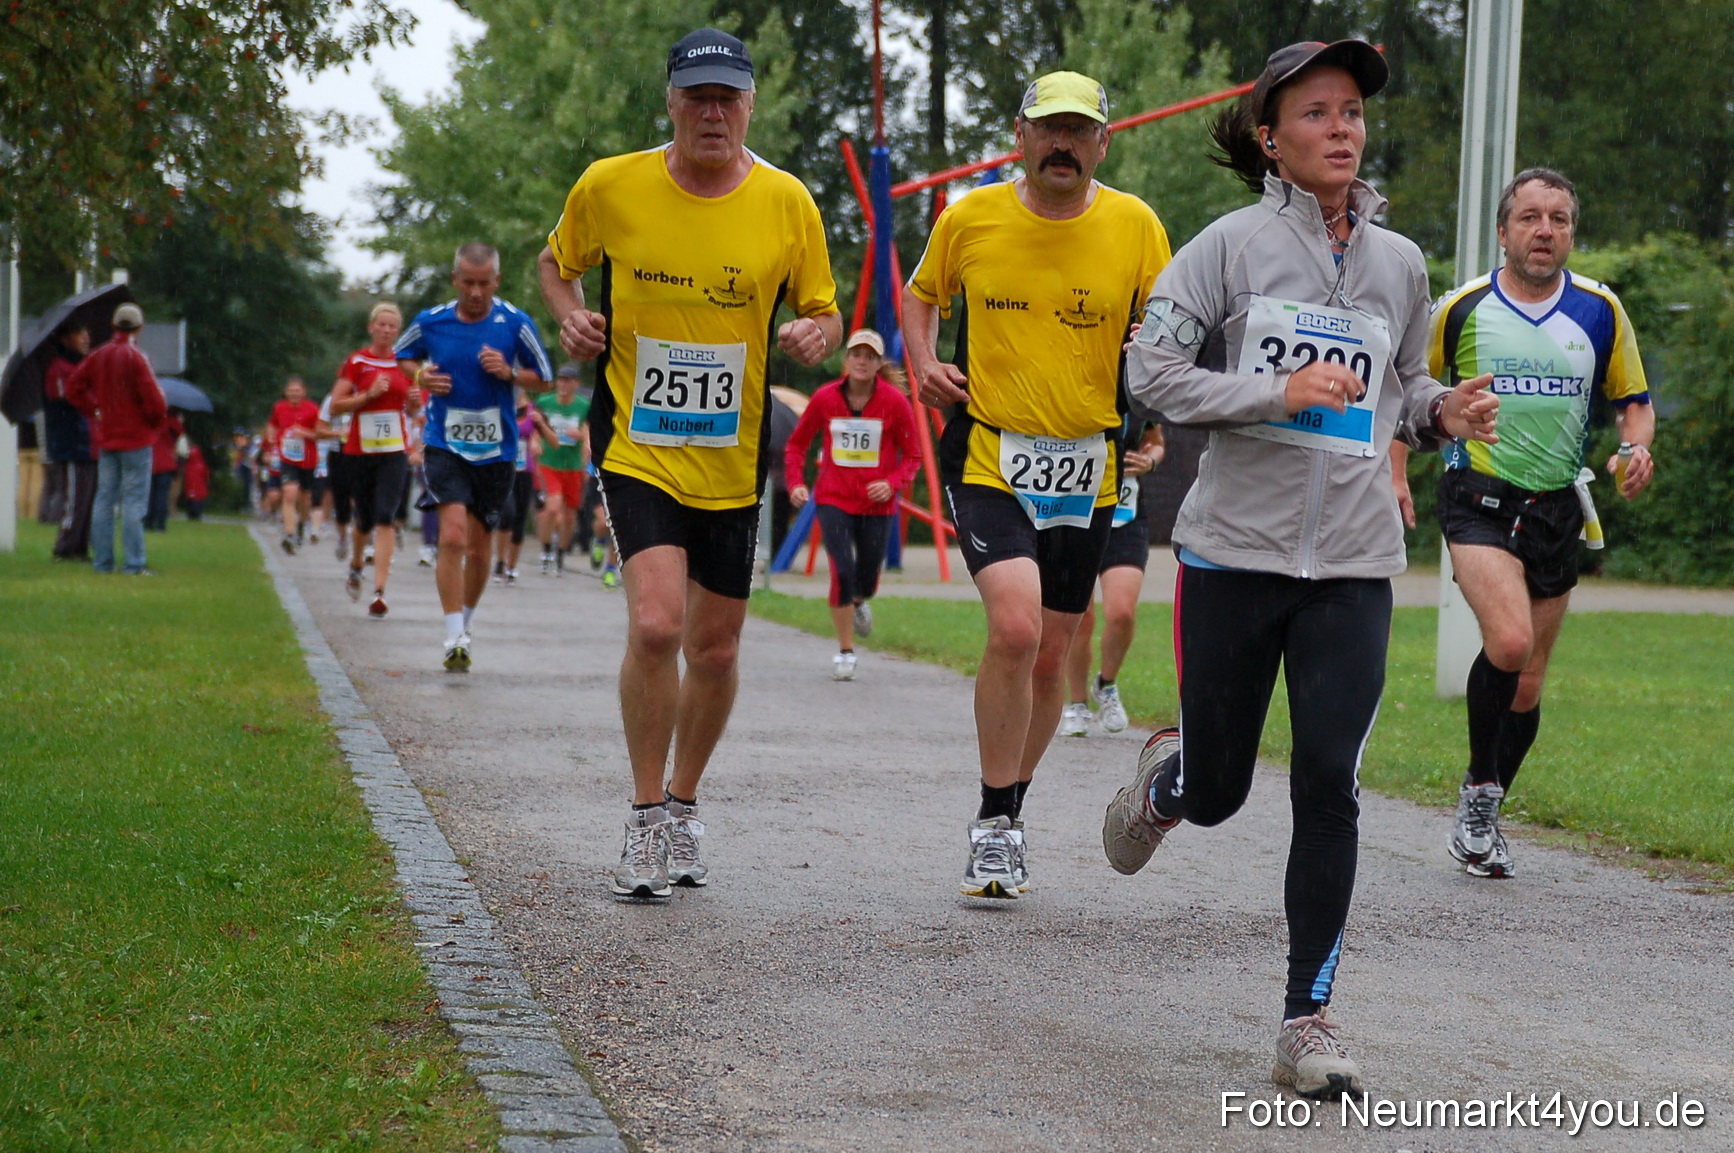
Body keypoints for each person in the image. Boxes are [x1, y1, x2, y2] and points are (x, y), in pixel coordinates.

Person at [1097, 41, 1501, 1099]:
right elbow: (1153, 371)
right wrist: (1268, 396)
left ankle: (1305, 1019)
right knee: (1224, 792)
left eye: (1353, 112)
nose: (1342, 127)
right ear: (1272, 137)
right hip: (1236, 554)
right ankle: (1169, 781)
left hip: (1358, 563)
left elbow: (1404, 388)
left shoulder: (1401, 264)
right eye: (1317, 112)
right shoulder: (1227, 248)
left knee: (1330, 783)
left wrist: (1441, 411)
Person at [538, 26, 841, 899]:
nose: (713, 112)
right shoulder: (611, 186)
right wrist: (568, 313)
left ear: (750, 104)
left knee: (714, 646)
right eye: (696, 96)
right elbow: (558, 263)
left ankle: (682, 802)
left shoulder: (787, 203)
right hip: (636, 441)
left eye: (728, 97)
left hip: (732, 455)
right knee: (659, 625)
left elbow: (821, 309)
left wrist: (814, 333)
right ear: (669, 102)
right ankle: (641, 820)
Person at [904, 70, 1171, 900]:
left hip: (1087, 466)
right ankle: (991, 820)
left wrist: (1153, 409)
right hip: (989, 454)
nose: (1062, 144)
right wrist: (921, 358)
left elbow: (1167, 336)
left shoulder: (1136, 226)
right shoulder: (970, 216)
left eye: (1077, 130)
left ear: (1103, 141)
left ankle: (1010, 811)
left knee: (1055, 651)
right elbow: (919, 299)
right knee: (1016, 630)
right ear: (1019, 135)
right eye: (1047, 129)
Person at [1388, 168, 1654, 881]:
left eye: (1559, 219)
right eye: (1531, 217)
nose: (1545, 230)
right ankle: (1479, 792)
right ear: (1504, 230)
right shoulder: (1463, 307)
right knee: (1509, 641)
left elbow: (1632, 397)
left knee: (1528, 683)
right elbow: (1409, 389)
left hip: (1558, 505)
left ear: (1571, 232)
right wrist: (1393, 472)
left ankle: (1486, 808)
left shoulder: (1600, 310)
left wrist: (1636, 445)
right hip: (1478, 493)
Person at [398, 243, 553, 668]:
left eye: (484, 284)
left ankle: (464, 623)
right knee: (451, 535)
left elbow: (545, 380)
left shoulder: (515, 324)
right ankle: (452, 637)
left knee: (481, 550)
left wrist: (509, 373)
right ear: (455, 280)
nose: (475, 292)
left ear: (496, 282)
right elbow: (404, 356)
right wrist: (422, 376)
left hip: (497, 451)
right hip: (444, 443)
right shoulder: (432, 322)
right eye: (468, 282)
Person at [784, 328, 922, 680]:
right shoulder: (825, 398)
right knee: (841, 569)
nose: (862, 362)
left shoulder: (894, 402)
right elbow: (797, 445)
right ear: (846, 361)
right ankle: (845, 651)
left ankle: (860, 601)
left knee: (867, 578)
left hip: (877, 505)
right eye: (856, 355)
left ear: (878, 364)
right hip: (833, 497)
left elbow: (914, 456)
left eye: (870, 356)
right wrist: (796, 483)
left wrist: (891, 484)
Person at [1058, 420, 1165, 735]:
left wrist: (1151, 460)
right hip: (1073, 515)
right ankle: (1077, 704)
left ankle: (1106, 684)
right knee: (1080, 617)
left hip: (1124, 516)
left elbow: (1155, 441)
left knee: (1122, 612)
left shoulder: (1132, 391)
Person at [331, 301, 421, 617]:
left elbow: (414, 411)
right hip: (359, 450)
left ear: (398, 331)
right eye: (381, 325)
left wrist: (413, 403)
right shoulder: (357, 361)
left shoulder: (406, 364)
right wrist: (366, 396)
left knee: (386, 516)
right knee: (365, 519)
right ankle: (357, 563)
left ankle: (379, 591)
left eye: (392, 326)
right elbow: (335, 406)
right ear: (372, 327)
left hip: (394, 451)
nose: (386, 330)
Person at [65, 302, 167, 575]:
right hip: (136, 439)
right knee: (133, 501)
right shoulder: (136, 357)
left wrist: (93, 409)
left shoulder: (98, 355)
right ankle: (134, 563)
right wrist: (153, 423)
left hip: (107, 436)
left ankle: (102, 562)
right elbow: (155, 402)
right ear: (139, 327)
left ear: (113, 326)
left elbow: (73, 386)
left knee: (104, 499)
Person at [43, 324, 98, 561]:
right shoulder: (59, 369)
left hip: (88, 443)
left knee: (86, 498)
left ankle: (79, 546)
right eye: (80, 333)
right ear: (66, 339)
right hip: (72, 444)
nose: (86, 336)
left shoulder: (81, 366)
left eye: (87, 332)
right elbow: (68, 401)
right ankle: (64, 547)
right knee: (75, 497)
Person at [534, 363, 590, 576]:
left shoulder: (583, 406)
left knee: (569, 515)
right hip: (550, 463)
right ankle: (546, 550)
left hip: (573, 465)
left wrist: (582, 437)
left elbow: (589, 434)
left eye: (568, 381)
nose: (563, 385)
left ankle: (560, 553)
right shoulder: (544, 403)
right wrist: (536, 442)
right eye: (561, 380)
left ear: (576, 383)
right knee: (553, 508)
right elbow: (536, 429)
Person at [266, 377, 320, 553]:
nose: (294, 394)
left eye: (297, 390)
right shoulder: (279, 407)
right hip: (287, 458)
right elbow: (272, 424)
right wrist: (271, 436)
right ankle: (288, 534)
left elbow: (320, 433)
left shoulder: (312, 409)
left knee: (304, 499)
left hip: (308, 459)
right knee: (290, 493)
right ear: (286, 392)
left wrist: (304, 433)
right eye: (291, 390)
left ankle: (301, 526)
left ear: (304, 392)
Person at [494, 393, 538, 584]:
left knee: (519, 518)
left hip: (525, 472)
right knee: (507, 514)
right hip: (504, 469)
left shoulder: (533, 411)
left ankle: (511, 567)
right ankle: (500, 561)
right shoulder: (500, 403)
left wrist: (538, 438)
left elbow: (551, 440)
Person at [145, 410, 183, 532]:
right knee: (162, 494)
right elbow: (179, 434)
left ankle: (148, 522)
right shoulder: (172, 422)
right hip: (166, 462)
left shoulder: (150, 418)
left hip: (151, 461)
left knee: (149, 494)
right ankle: (160, 524)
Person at [183, 444, 209, 520]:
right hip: (199, 489)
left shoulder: (188, 466)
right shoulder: (202, 465)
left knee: (190, 502)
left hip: (190, 488)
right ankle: (197, 514)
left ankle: (191, 514)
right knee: (197, 502)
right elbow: (206, 476)